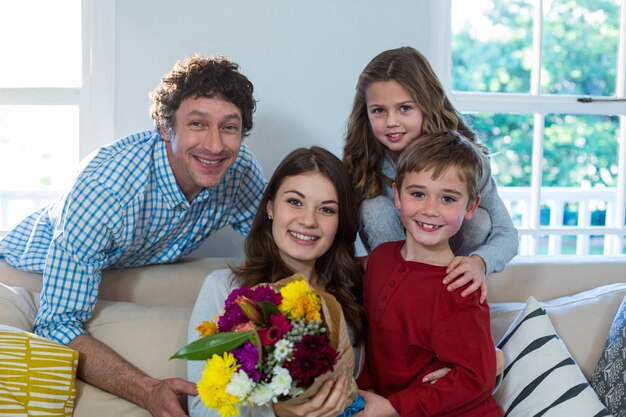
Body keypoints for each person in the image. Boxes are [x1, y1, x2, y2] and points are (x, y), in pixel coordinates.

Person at [0, 53, 267, 417]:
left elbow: (273, 243)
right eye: (197, 124)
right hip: (33, 271)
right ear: (165, 127)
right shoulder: (105, 190)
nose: (215, 145)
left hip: (134, 263)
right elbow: (56, 323)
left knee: (230, 283)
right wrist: (148, 391)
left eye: (229, 127)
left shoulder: (240, 169)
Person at [187, 146, 365, 417]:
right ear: (270, 206)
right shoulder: (225, 288)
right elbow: (202, 409)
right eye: (294, 202)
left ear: (340, 222)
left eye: (327, 210)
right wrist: (279, 412)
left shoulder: (352, 291)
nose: (308, 220)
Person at [342, 46, 518, 303]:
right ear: (366, 113)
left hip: (449, 272)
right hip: (396, 273)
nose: (392, 122)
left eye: (404, 108)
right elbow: (340, 238)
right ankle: (406, 298)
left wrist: (478, 262)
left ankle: (449, 296)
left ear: (427, 105)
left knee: (479, 220)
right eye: (379, 111)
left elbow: (507, 233)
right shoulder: (362, 162)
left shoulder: (465, 161)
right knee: (374, 208)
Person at [356, 131, 502, 417]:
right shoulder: (381, 259)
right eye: (418, 193)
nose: (430, 209)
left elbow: (477, 377)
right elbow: (378, 344)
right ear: (397, 195)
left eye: (448, 198)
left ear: (471, 207)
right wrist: (365, 389)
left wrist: (393, 406)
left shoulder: (459, 285)